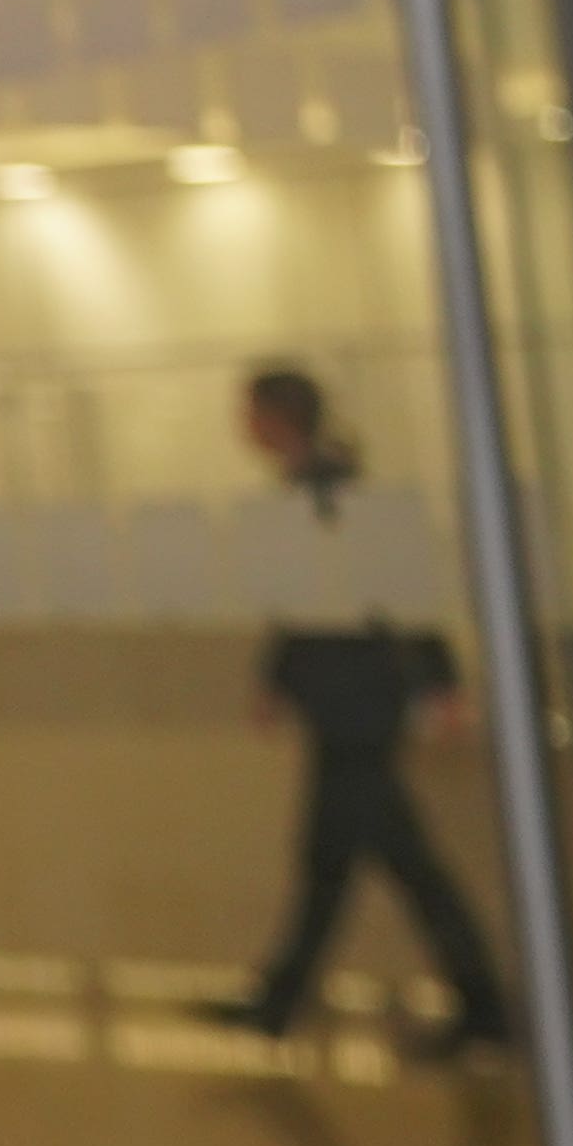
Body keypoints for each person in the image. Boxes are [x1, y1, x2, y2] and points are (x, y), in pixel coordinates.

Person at [214, 360, 517, 1056]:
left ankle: (479, 1007)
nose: (242, 426)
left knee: (387, 863)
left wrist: (440, 684)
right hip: (347, 700)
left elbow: (381, 588)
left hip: (357, 702)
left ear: (275, 416)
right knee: (346, 859)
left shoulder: (330, 491)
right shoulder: (316, 487)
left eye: (249, 411)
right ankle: (280, 999)